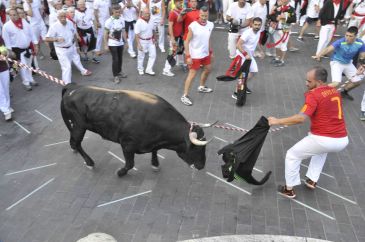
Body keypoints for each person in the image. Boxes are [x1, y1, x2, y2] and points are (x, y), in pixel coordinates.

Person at [268, 66, 349, 199]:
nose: (306, 83)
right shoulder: (334, 90)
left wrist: (277, 121)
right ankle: (312, 180)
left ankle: (289, 190)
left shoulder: (313, 95)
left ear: (319, 82)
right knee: (320, 151)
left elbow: (301, 118)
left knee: (292, 155)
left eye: (309, 81)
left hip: (323, 138)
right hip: (342, 139)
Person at [45, 9, 92, 84]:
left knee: (77, 59)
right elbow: (46, 38)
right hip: (61, 49)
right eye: (61, 17)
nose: (63, 18)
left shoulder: (70, 23)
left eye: (64, 16)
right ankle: (67, 83)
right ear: (58, 17)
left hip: (72, 46)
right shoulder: (54, 26)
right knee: (67, 67)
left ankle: (83, 71)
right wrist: (56, 39)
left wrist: (77, 47)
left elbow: (74, 34)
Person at [312, 26, 365, 92]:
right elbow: (328, 48)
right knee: (336, 83)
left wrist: (362, 65)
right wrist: (319, 55)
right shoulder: (341, 42)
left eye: (350, 36)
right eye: (346, 35)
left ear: (356, 36)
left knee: (357, 82)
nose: (347, 38)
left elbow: (363, 55)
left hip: (348, 63)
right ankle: (316, 92)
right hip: (337, 62)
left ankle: (345, 91)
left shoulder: (360, 43)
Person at [180, 6, 213, 106]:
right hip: (195, 55)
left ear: (208, 15)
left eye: (206, 16)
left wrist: (211, 52)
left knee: (208, 69)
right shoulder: (193, 26)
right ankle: (184, 96)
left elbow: (208, 39)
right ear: (199, 14)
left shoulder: (211, 25)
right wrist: (188, 56)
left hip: (205, 54)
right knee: (192, 75)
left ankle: (201, 86)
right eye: (202, 15)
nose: (204, 17)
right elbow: (186, 42)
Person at [2, 8, 39, 91]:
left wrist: (35, 44)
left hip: (28, 48)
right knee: (23, 67)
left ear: (18, 14)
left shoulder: (24, 22)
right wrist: (10, 52)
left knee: (29, 65)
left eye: (14, 14)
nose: (12, 16)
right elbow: (6, 40)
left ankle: (30, 79)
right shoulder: (6, 26)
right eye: (10, 15)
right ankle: (26, 82)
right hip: (17, 50)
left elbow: (31, 33)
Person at [232, 17, 263, 99]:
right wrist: (245, 54)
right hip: (242, 55)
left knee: (253, 71)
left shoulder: (258, 32)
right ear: (252, 24)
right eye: (255, 24)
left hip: (249, 56)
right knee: (243, 75)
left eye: (259, 25)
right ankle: (236, 92)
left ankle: (243, 85)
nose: (257, 26)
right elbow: (238, 45)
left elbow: (257, 43)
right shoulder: (247, 33)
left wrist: (261, 51)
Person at [268, 0, 296, 67]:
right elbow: (271, 17)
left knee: (283, 46)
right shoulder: (278, 7)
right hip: (276, 29)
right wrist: (274, 17)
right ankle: (277, 58)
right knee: (277, 45)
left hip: (285, 30)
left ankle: (282, 60)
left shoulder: (291, 9)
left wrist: (285, 18)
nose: (283, 0)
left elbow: (294, 19)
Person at [104, 4, 127, 83]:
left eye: (119, 12)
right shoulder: (108, 21)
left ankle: (119, 72)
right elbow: (105, 34)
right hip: (112, 44)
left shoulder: (122, 19)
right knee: (115, 59)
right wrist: (106, 44)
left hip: (120, 43)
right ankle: (115, 76)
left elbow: (123, 31)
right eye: (116, 12)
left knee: (120, 58)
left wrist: (126, 42)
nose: (118, 14)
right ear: (113, 12)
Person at [162, 0, 184, 77]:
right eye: (178, 2)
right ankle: (166, 70)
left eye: (181, 1)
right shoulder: (172, 12)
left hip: (180, 35)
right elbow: (170, 26)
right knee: (171, 52)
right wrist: (172, 38)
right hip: (173, 36)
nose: (180, 3)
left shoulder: (181, 11)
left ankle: (180, 63)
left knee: (180, 49)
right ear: (174, 3)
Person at [135, 7, 156, 75]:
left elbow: (153, 29)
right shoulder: (139, 22)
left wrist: (155, 38)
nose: (148, 15)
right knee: (141, 56)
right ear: (142, 14)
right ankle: (140, 69)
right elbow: (137, 34)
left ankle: (149, 69)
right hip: (142, 41)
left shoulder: (151, 20)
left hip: (150, 40)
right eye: (146, 13)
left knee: (153, 55)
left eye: (148, 13)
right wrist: (138, 44)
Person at [0, 35, 13, 121]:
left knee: (5, 88)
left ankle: (7, 106)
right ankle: (6, 110)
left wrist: (3, 54)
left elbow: (3, 49)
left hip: (3, 67)